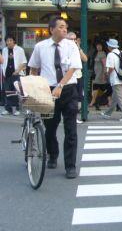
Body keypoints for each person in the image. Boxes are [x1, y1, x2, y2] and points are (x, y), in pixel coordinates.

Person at [28, 17, 82, 179]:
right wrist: (35, 87)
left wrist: (60, 86)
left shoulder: (71, 46)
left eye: (66, 27)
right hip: (48, 90)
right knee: (50, 128)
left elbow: (73, 68)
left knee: (70, 129)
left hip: (68, 90)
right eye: (61, 27)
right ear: (51, 29)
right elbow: (33, 68)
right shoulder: (40, 47)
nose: (64, 30)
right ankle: (52, 154)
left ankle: (70, 166)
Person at [100, 39, 122, 122]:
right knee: (115, 98)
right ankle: (108, 113)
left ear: (110, 46)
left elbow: (110, 68)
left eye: (108, 45)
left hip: (115, 79)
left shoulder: (110, 55)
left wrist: (106, 74)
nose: (107, 46)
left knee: (120, 98)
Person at [0, 36, 27, 116]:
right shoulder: (4, 50)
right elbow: (3, 61)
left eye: (10, 40)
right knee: (8, 92)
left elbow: (24, 62)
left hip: (17, 74)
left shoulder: (19, 49)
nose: (9, 42)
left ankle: (17, 109)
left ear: (14, 41)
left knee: (16, 92)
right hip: (7, 74)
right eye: (7, 41)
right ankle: (8, 109)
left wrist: (17, 71)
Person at [66, 32, 88, 124]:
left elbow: (85, 59)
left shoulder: (77, 49)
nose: (73, 41)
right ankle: (70, 117)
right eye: (71, 39)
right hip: (68, 78)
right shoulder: (64, 49)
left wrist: (79, 49)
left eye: (74, 39)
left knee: (78, 97)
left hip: (78, 76)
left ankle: (74, 117)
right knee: (70, 98)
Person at [89, 42, 111, 110]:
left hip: (100, 74)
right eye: (97, 45)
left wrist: (104, 73)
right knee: (98, 87)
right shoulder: (95, 53)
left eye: (100, 46)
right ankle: (94, 101)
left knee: (102, 88)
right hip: (96, 73)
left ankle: (108, 101)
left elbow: (104, 64)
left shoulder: (103, 54)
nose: (98, 47)